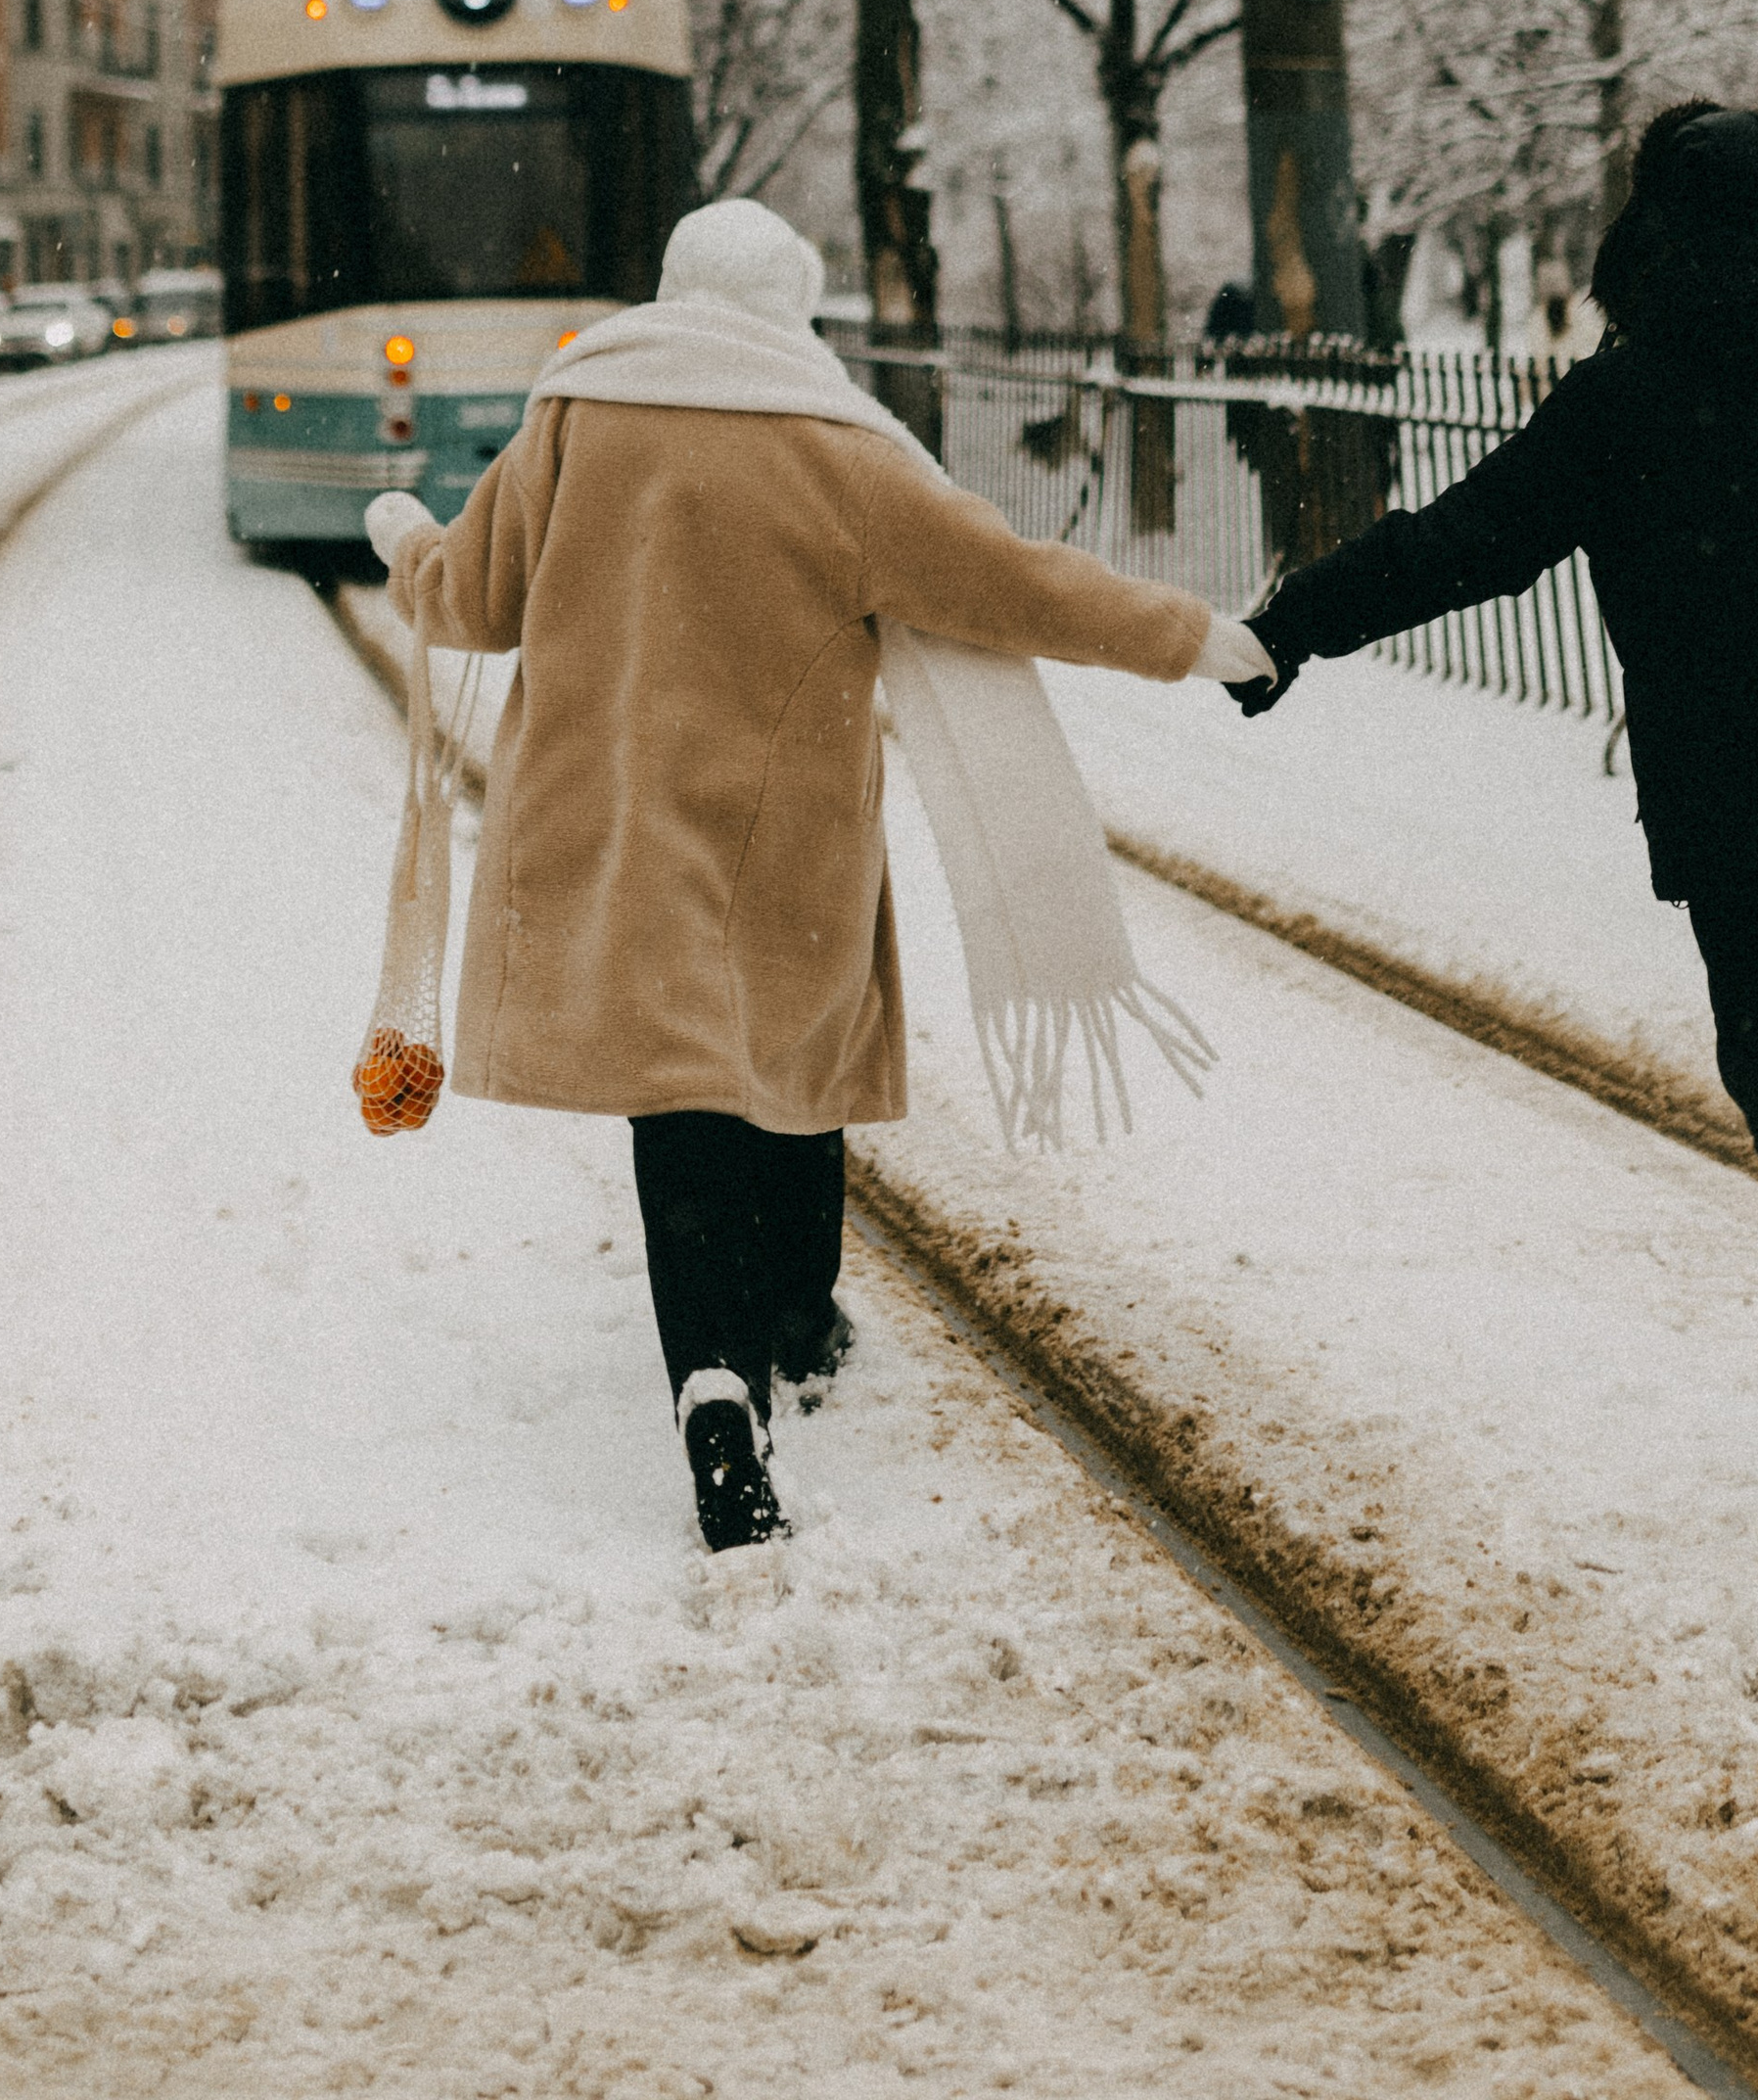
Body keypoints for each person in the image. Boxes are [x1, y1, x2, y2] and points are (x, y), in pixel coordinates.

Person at [367, 198, 1266, 1553]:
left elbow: (474, 603)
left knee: (677, 1105)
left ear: (674, 290)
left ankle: (715, 1386)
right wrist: (1200, 638)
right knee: (788, 1069)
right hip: (783, 844)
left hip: (608, 826)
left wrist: (407, 546)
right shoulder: (839, 448)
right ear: (792, 306)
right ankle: (794, 1317)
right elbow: (1017, 584)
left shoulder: (577, 414)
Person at [1230, 103, 1758, 1535]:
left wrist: (1300, 624)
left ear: (1651, 234)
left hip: (1740, 809)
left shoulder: (1624, 404)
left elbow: (1460, 548)